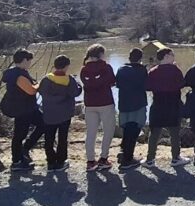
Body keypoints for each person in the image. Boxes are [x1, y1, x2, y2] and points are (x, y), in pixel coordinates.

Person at [0, 49, 43, 172]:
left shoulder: (19, 72)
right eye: (29, 61)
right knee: (20, 135)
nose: (30, 63)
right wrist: (39, 84)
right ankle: (17, 161)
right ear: (24, 60)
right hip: (23, 110)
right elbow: (31, 90)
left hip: (27, 108)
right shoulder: (18, 75)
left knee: (42, 124)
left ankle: (23, 152)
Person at [146, 47, 189, 167]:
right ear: (166, 56)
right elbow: (182, 84)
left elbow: (147, 87)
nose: (173, 56)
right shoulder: (175, 70)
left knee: (154, 134)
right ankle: (175, 158)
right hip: (173, 105)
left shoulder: (153, 71)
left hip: (158, 105)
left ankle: (150, 159)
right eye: (172, 54)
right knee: (174, 133)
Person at [38, 54, 82, 172]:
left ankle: (51, 162)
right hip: (64, 114)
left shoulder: (46, 79)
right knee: (62, 138)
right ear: (66, 66)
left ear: (55, 65)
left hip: (49, 114)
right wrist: (78, 84)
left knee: (49, 138)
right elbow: (76, 92)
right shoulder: (69, 79)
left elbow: (40, 91)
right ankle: (61, 161)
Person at [80, 43, 116, 172]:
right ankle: (103, 158)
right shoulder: (106, 67)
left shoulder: (83, 69)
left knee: (91, 133)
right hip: (105, 102)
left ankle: (90, 161)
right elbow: (113, 82)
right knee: (108, 131)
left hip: (90, 104)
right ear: (101, 55)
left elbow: (86, 83)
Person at [115, 48, 148, 170]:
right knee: (134, 131)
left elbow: (117, 84)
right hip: (138, 104)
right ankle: (128, 160)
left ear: (129, 57)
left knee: (127, 129)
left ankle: (123, 151)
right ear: (140, 58)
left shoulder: (121, 69)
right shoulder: (141, 69)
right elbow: (146, 85)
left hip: (124, 104)